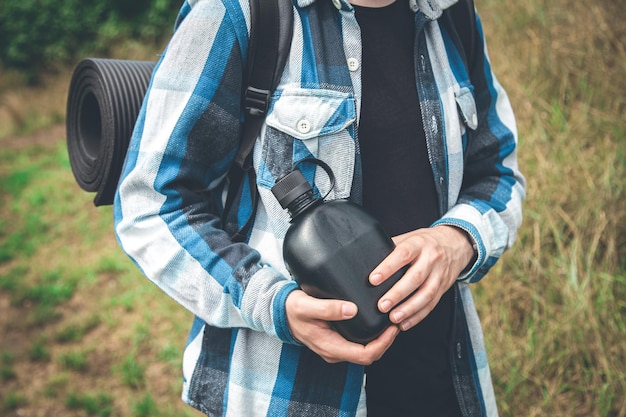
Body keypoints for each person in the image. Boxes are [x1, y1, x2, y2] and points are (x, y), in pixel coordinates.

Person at [114, 0, 525, 415]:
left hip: (444, 383)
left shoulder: (450, 13)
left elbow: (497, 171)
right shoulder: (237, 13)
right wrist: (273, 305)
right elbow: (149, 205)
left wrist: (457, 241)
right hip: (291, 396)